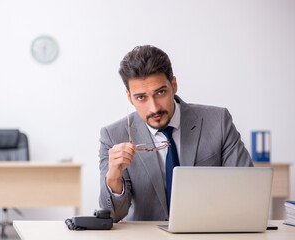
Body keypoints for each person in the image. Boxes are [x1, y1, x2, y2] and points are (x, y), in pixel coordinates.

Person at [98, 45, 253, 223]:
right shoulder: (113, 136)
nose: (154, 108)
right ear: (129, 97)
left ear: (174, 85)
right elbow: (112, 215)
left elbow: (246, 190)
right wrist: (114, 176)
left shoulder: (218, 122)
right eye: (141, 97)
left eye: (161, 92)